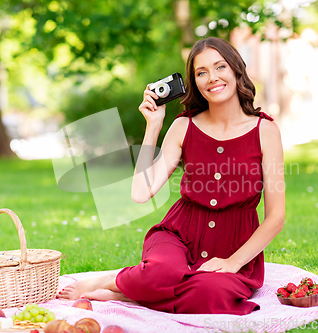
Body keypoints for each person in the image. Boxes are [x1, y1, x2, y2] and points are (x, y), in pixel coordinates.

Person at [58, 37, 285, 315]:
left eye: (220, 67)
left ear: (236, 69)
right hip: (178, 236)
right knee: (163, 273)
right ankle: (114, 280)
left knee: (212, 293)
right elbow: (141, 193)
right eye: (201, 73)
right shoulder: (183, 126)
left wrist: (233, 263)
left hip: (233, 245)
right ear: (194, 82)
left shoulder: (265, 132)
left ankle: (130, 293)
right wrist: (153, 127)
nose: (212, 78)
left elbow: (276, 216)